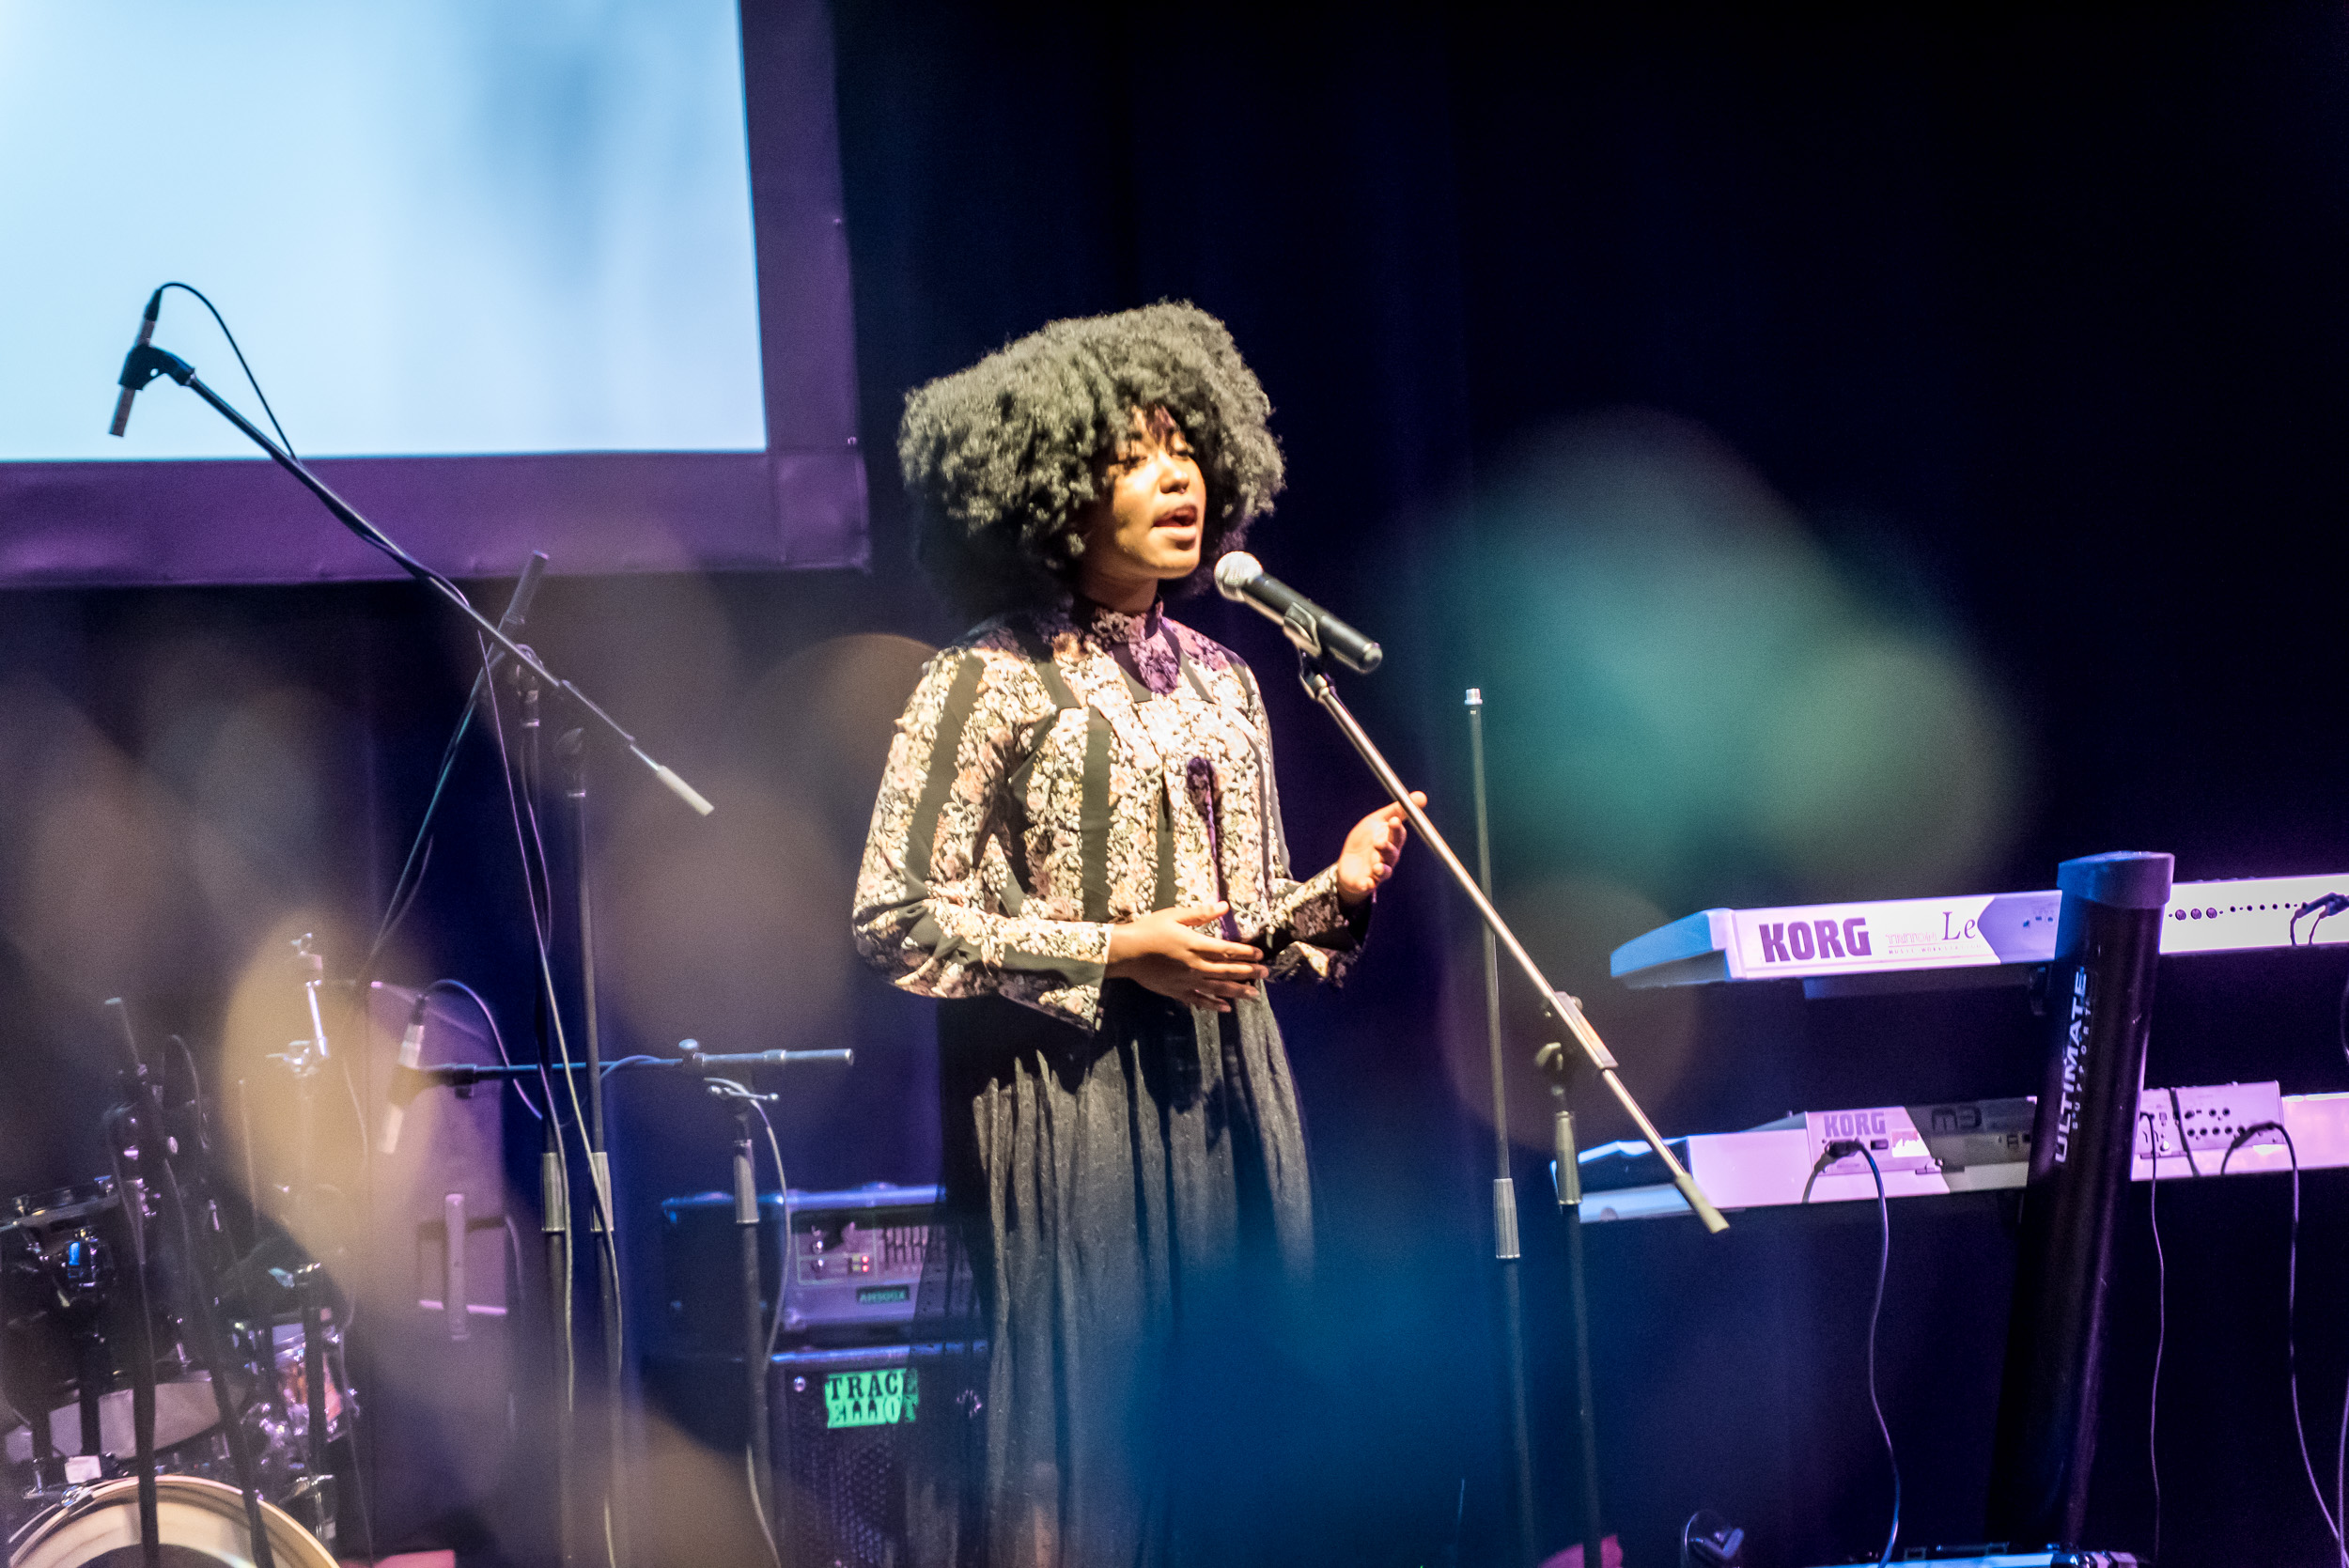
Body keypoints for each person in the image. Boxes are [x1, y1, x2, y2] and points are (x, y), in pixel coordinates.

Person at [852, 302, 1418, 1567]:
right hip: (1071, 1102)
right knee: (1082, 1441)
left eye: (1188, 448)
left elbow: (1247, 925)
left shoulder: (1228, 676)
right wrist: (1117, 951)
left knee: (1235, 1432)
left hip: (1224, 1091)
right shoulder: (982, 677)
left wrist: (1337, 888)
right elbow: (894, 917)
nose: (1178, 479)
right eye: (1134, 456)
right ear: (1053, 487)